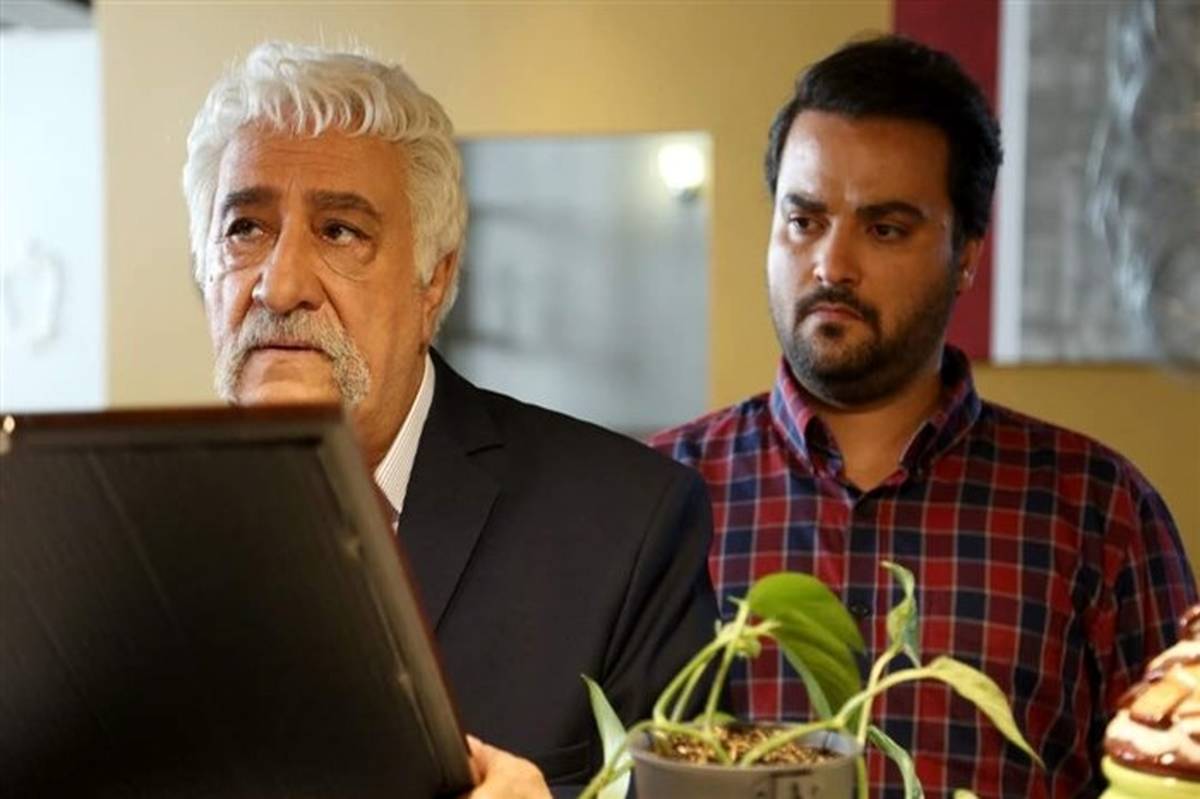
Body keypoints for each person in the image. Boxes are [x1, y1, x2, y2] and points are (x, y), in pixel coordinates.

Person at [650, 35, 1197, 798]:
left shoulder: (1098, 512)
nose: (832, 264)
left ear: (966, 253)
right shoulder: (658, 496)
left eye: (885, 228)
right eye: (804, 221)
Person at [183, 41, 718, 798]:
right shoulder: (120, 531)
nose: (281, 284)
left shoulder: (629, 526)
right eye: (245, 228)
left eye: (339, 231)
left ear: (433, 281)